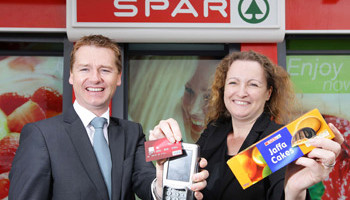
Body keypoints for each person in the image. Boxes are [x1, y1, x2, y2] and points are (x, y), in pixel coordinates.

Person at [9, 35, 208, 200]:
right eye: (85, 69)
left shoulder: (132, 132)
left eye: (105, 70)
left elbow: (147, 183)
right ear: (71, 75)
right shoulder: (41, 135)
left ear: (118, 77)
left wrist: (163, 176)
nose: (95, 78)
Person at [150, 51, 344, 200]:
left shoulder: (280, 139)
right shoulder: (213, 131)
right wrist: (162, 154)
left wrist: (294, 191)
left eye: (253, 85)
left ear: (268, 93)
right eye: (233, 82)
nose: (241, 92)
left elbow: (285, 191)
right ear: (224, 88)